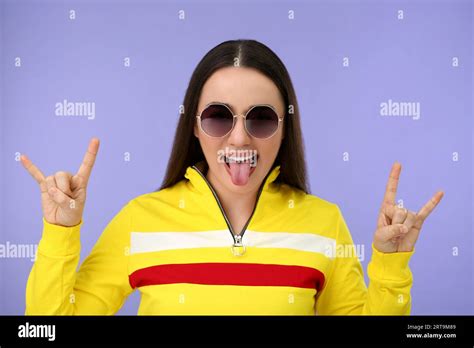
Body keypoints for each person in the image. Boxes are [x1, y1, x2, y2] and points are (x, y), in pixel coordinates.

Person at [22, 39, 443, 315]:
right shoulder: (140, 220)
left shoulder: (323, 223)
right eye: (218, 116)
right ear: (193, 125)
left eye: (261, 119)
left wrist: (389, 266)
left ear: (286, 128)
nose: (239, 136)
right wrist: (60, 232)